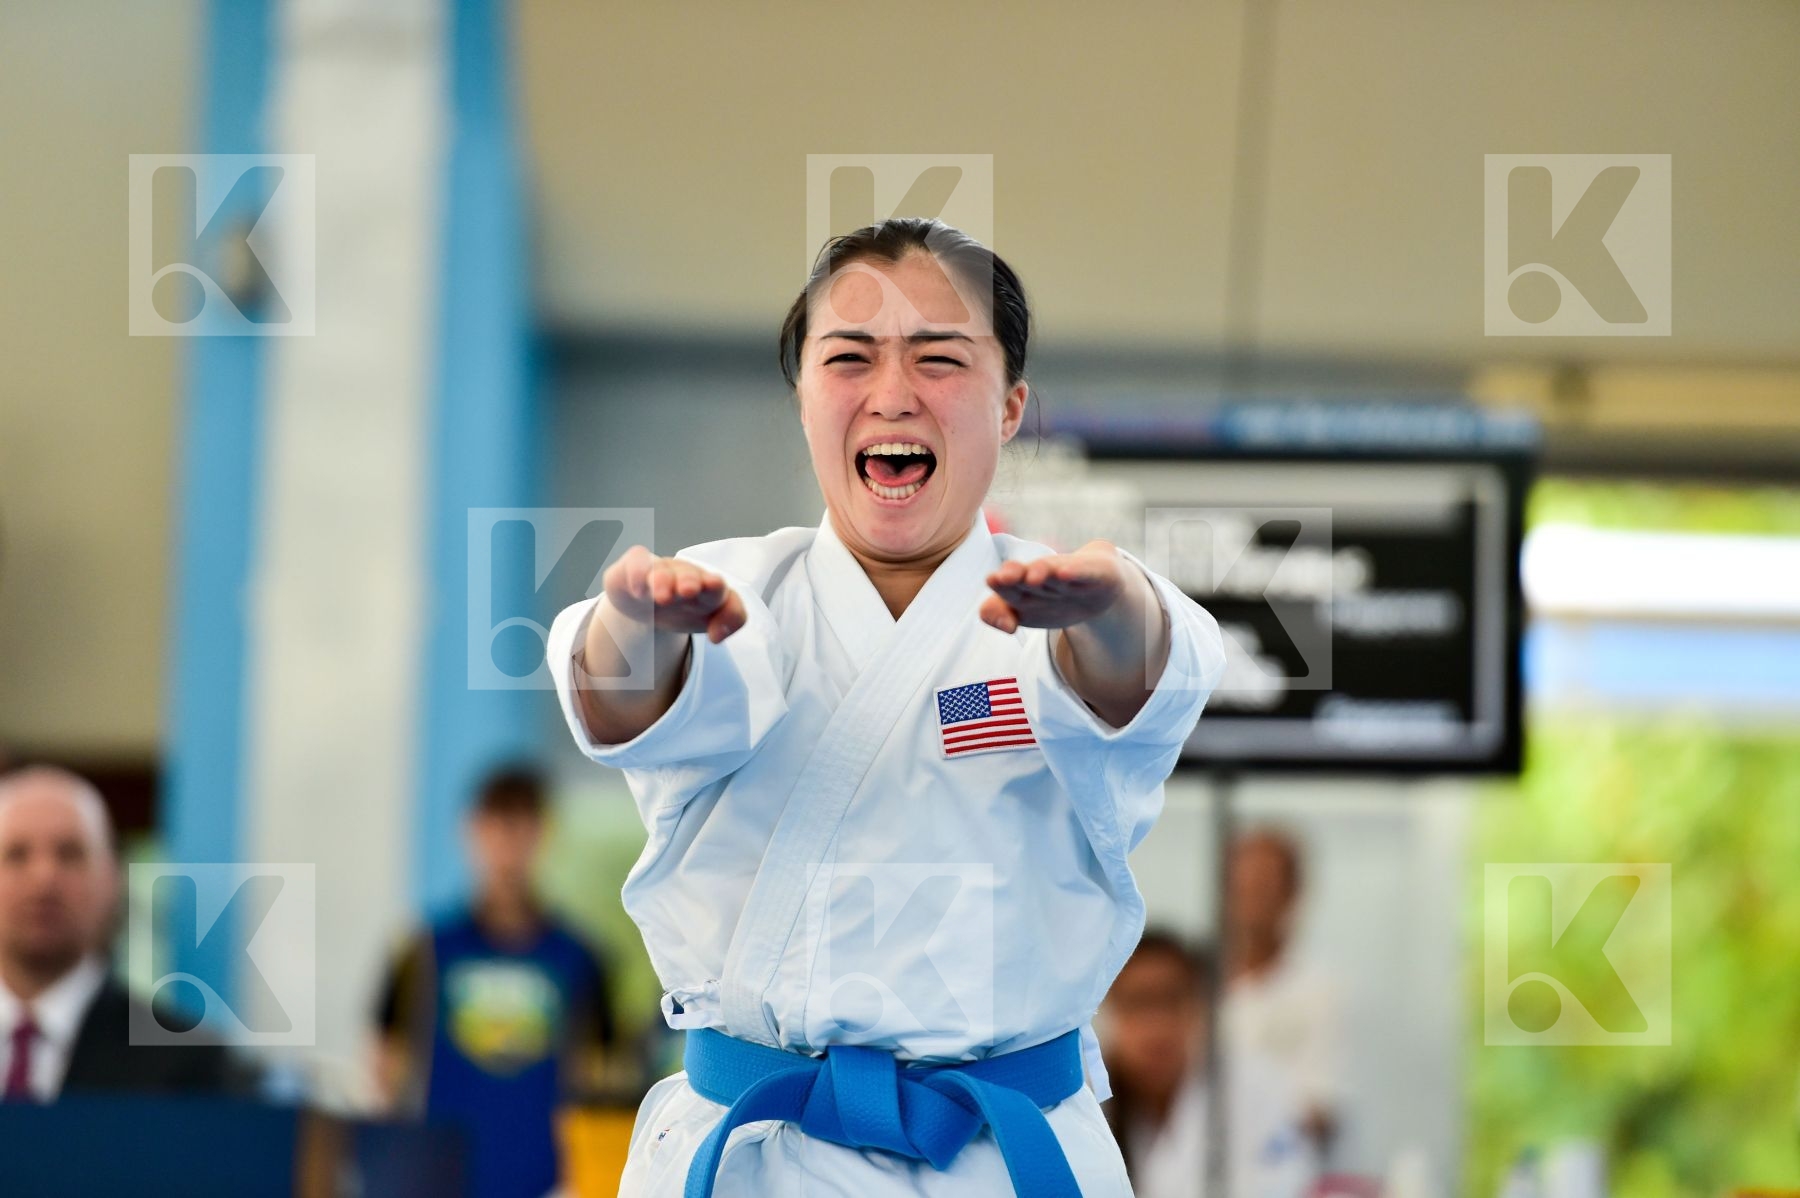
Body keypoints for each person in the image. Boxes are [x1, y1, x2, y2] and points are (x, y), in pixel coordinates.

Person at [547, 217, 1229, 1197]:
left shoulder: (1057, 606)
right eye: (849, 357)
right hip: (758, 1159)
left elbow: (1133, 672)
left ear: (1010, 406)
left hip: (1000, 1156)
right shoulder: (733, 594)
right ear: (803, 396)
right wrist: (636, 624)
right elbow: (633, 697)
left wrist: (1111, 609)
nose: (894, 392)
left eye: (939, 358)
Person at [373, 766, 617, 1198]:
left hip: (546, 1182)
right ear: (471, 831)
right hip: (437, 1177)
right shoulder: (424, 951)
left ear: (543, 834)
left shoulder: (580, 958)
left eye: (521, 826)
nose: (508, 844)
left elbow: (605, 1082)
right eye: (497, 825)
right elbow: (383, 1066)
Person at [0, 765, 239, 1100]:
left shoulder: (190, 1064)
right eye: (16, 855)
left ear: (113, 879)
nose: (44, 879)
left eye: (70, 854)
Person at [1099, 930, 1314, 1197]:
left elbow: (1286, 1185)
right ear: (1109, 1011)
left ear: (1199, 1006)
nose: (1156, 1027)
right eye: (1138, 1002)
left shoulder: (1258, 1088)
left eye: (1171, 1000)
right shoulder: (1085, 1102)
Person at [1222, 826, 1344, 1157]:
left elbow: (1320, 1107)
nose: (1251, 901)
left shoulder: (1318, 992)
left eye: (1264, 887)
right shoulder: (1197, 987)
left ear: (1293, 894)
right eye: (1241, 887)